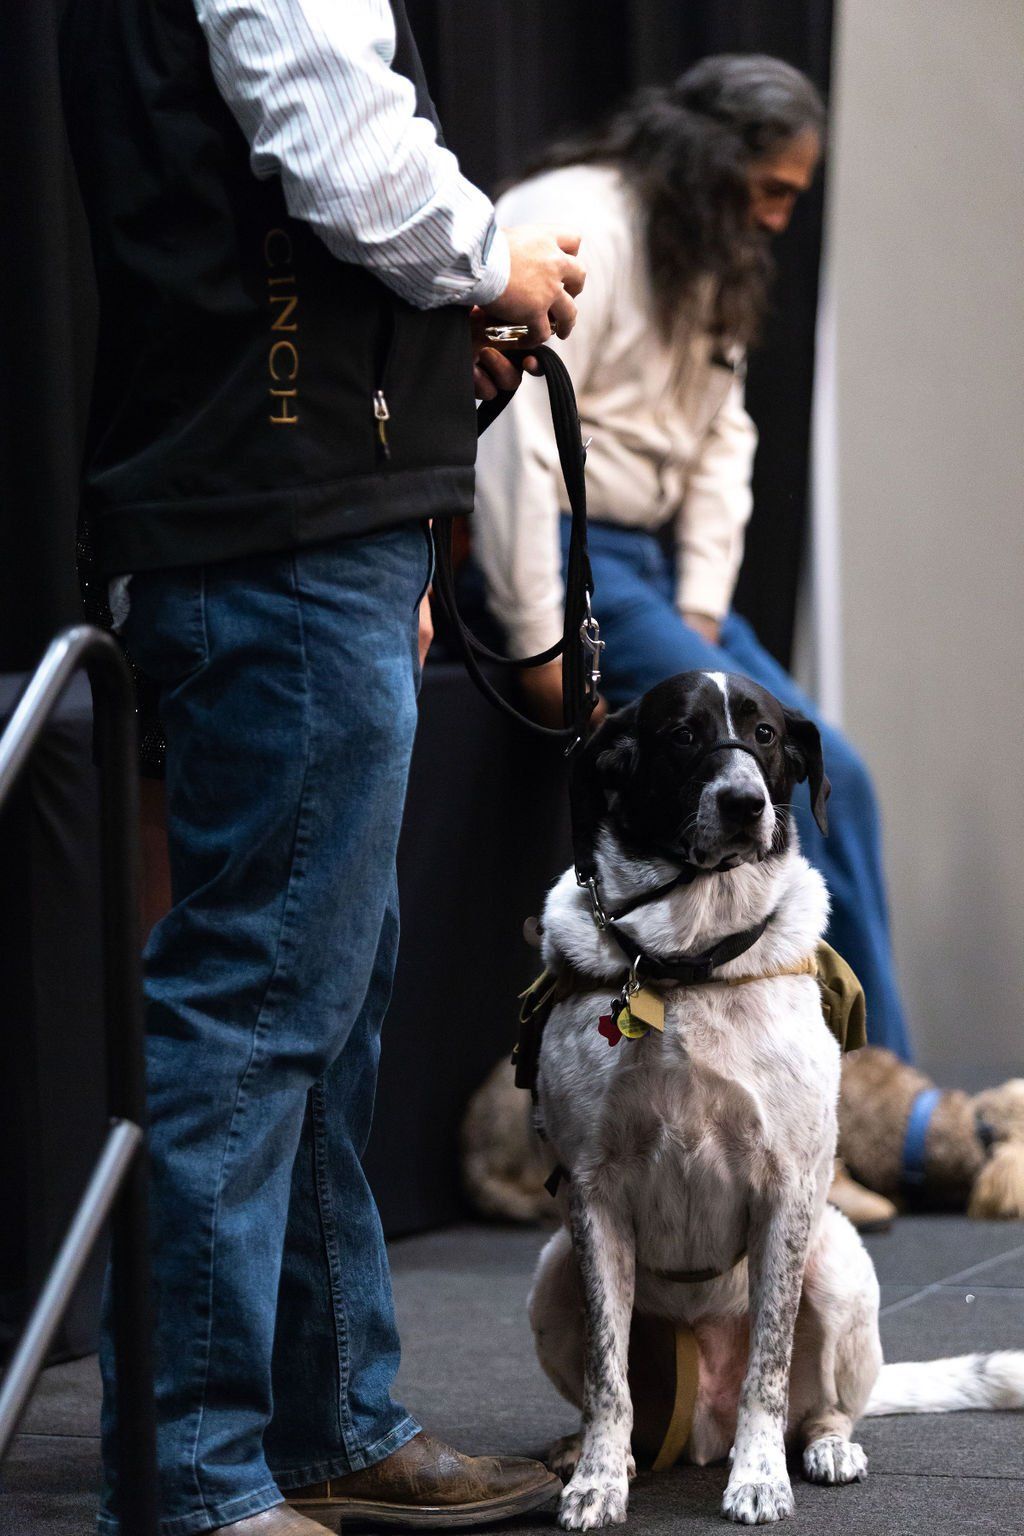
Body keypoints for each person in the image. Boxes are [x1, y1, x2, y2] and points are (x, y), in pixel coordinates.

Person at [59, 2, 584, 1534]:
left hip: (296, 513)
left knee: (320, 996)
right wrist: (499, 260)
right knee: (265, 996)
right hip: (271, 518)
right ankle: (201, 1478)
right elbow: (345, 151)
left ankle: (325, 1424)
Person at [471, 56, 908, 1226]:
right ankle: (880, 1123)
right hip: (568, 548)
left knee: (839, 781)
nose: (777, 218)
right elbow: (513, 438)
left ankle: (868, 1098)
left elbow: (724, 435)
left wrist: (705, 606)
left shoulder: (704, 249)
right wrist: (542, 639)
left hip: (651, 564)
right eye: (770, 190)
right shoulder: (577, 220)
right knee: (829, 774)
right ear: (714, 160)